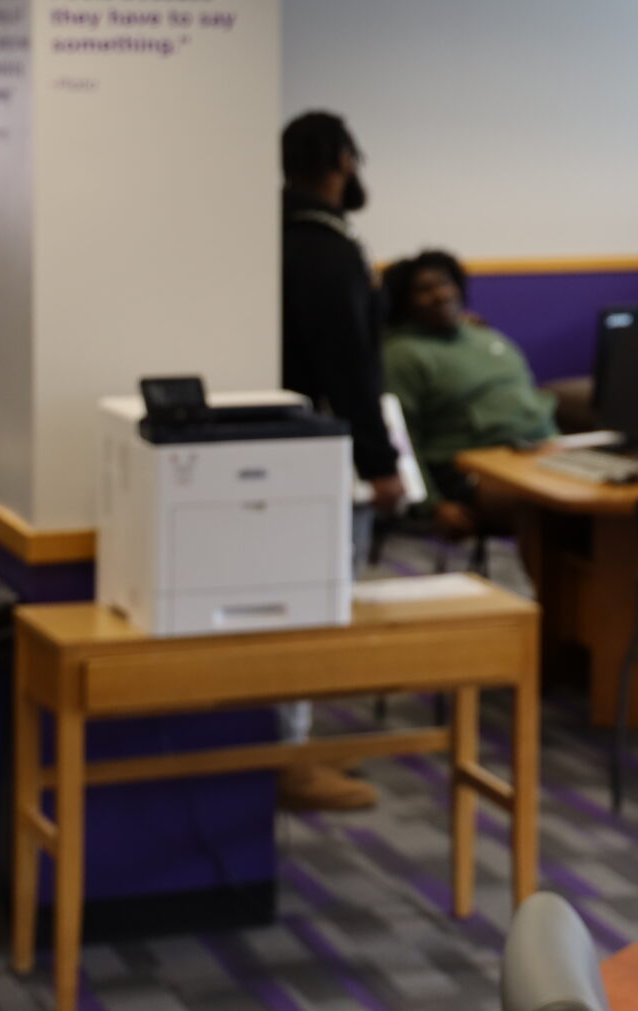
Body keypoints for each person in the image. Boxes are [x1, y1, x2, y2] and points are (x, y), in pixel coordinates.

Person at [276, 110, 402, 811]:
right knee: (312, 601)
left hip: (283, 441)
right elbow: (351, 366)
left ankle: (295, 741)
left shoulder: (274, 233)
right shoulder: (325, 248)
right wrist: (380, 462)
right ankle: (289, 760)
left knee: (304, 598)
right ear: (339, 161)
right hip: (321, 452)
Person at [381, 249, 557, 529]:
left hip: (547, 452)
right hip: (472, 473)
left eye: (444, 283)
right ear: (405, 302)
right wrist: (432, 505)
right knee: (556, 506)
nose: (441, 295)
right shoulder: (402, 355)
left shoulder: (486, 336)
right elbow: (402, 439)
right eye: (424, 290)